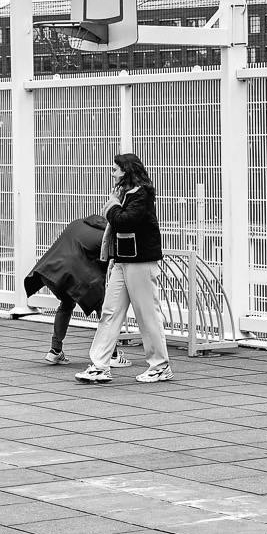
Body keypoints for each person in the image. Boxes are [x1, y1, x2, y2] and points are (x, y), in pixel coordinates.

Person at [75, 152, 171, 386]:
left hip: (140, 262)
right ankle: (99, 365)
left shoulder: (141, 194)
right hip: (122, 261)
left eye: (116, 169)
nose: (112, 173)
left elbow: (124, 220)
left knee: (146, 313)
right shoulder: (126, 194)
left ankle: (160, 365)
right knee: (110, 312)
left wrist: (111, 206)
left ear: (127, 171)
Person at [25, 211, 108, 365]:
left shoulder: (77, 223)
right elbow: (107, 264)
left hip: (49, 271)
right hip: (70, 273)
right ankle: (111, 353)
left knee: (67, 303)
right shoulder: (106, 236)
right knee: (101, 306)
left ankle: (55, 350)